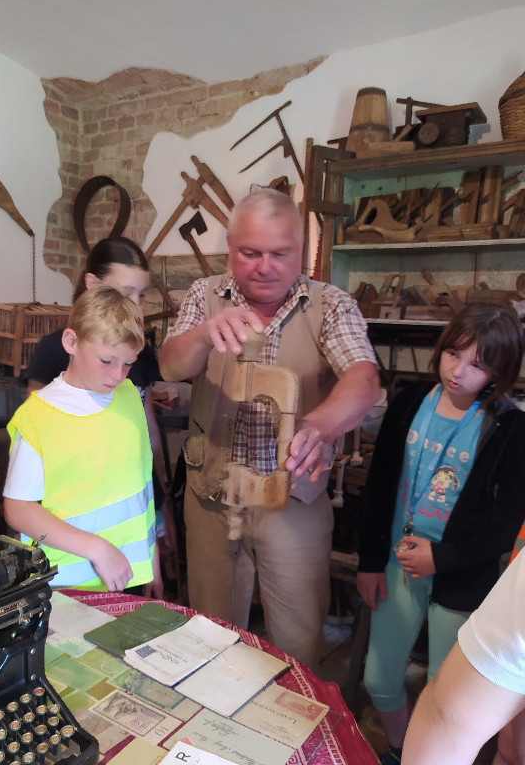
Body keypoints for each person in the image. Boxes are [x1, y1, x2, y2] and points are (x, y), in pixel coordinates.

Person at [158, 188, 380, 668]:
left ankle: (291, 712)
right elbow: (172, 366)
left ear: (301, 250)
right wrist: (203, 334)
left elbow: (363, 378)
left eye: (279, 253)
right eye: (250, 252)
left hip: (293, 499)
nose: (264, 266)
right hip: (212, 495)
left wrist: (320, 426)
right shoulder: (205, 295)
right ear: (230, 248)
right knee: (210, 636)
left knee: (298, 639)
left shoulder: (331, 305)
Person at [356, 303, 525, 765]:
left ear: (499, 371)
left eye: (477, 364)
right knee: (378, 679)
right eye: (453, 354)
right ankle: (399, 750)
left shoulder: (510, 427)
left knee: (445, 696)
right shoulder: (410, 401)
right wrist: (369, 560)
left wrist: (442, 557)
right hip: (396, 565)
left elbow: (506, 523)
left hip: (461, 578)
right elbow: (380, 482)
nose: (458, 371)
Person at [26, 237, 175, 560]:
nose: (136, 305)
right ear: (92, 285)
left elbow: (149, 431)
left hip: (135, 508)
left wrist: (162, 504)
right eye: (126, 292)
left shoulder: (140, 355)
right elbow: (39, 443)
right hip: (78, 518)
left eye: (142, 294)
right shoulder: (55, 352)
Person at [4, 286, 161, 593]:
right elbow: (19, 509)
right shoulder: (37, 416)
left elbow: (141, 489)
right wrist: (97, 549)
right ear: (71, 342)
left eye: (128, 363)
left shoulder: (129, 395)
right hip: (66, 586)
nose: (118, 374)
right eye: (107, 360)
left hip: (130, 575)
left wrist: (151, 558)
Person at [402, 547, 525, 765]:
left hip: (465, 584)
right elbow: (447, 718)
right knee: (512, 748)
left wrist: (441, 558)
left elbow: (446, 717)